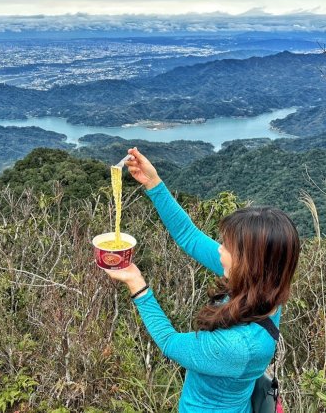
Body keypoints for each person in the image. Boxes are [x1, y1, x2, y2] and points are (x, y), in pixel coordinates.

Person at [104, 147, 300, 413]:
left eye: (228, 247)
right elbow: (190, 237)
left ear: (251, 264)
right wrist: (153, 183)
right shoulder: (262, 291)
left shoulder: (238, 346)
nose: (219, 250)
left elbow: (170, 343)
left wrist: (137, 285)